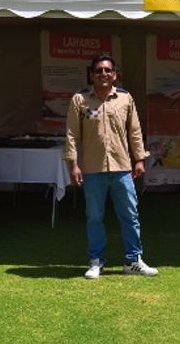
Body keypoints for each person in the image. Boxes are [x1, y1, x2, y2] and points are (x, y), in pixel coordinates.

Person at [64, 54, 157, 279]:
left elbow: (134, 131)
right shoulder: (80, 99)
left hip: (122, 167)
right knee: (94, 217)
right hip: (93, 169)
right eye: (98, 71)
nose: (103, 74)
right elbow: (72, 134)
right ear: (91, 75)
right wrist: (73, 164)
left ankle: (133, 260)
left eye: (107, 70)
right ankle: (96, 262)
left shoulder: (125, 99)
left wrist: (140, 160)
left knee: (130, 215)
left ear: (115, 74)